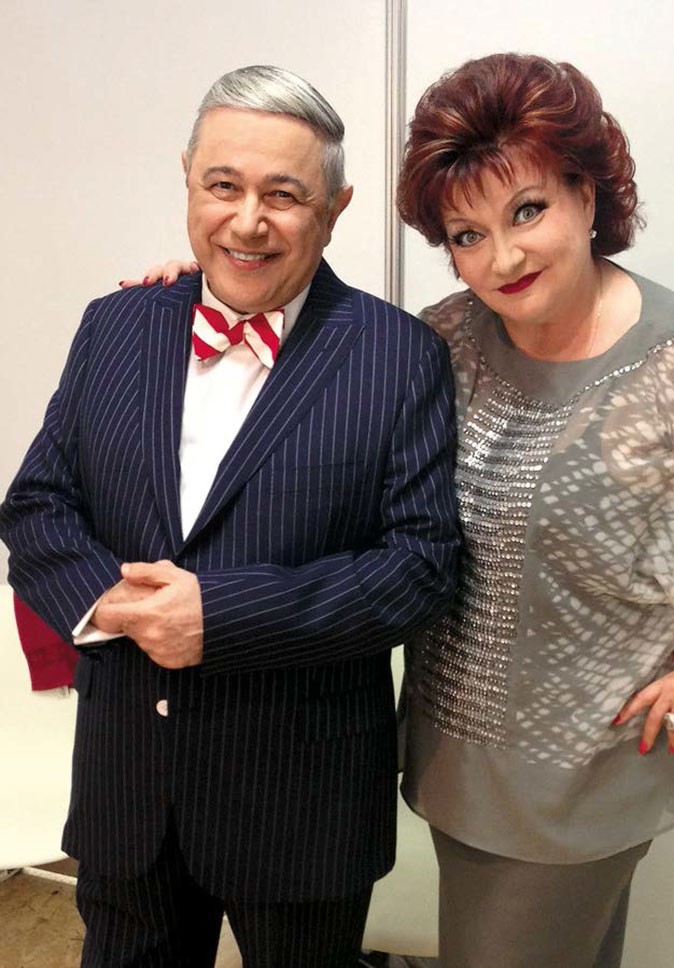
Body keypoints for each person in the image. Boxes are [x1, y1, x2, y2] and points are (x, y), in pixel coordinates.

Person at [125, 52, 674, 968]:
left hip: (581, 781)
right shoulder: (444, 339)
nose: (503, 257)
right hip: (457, 767)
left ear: (588, 195)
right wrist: (199, 290)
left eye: (528, 211)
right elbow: (307, 358)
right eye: (468, 233)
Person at [0, 65, 460, 968]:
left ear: (335, 208)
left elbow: (420, 568)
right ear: (188, 181)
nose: (247, 221)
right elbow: (38, 504)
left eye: (283, 195)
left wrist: (218, 615)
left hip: (301, 801)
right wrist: (110, 603)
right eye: (223, 186)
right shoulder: (115, 324)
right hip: (129, 786)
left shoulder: (400, 355)